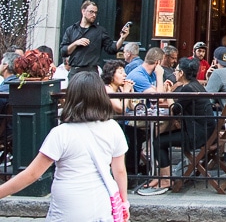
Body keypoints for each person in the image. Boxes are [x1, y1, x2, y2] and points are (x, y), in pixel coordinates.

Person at [0, 71, 130, 220]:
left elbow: (32, 174)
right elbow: (119, 171)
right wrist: (124, 203)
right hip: (101, 202)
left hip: (69, 203)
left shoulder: (61, 133)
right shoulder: (113, 128)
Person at [138, 57, 215, 195]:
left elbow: (174, 110)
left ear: (182, 73)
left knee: (158, 141)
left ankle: (166, 179)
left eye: (177, 70)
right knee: (161, 138)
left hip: (197, 136)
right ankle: (160, 176)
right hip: (204, 132)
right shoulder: (195, 85)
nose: (174, 72)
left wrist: (167, 93)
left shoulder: (188, 89)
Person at [60, 0, 130, 80]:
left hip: (91, 72)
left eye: (96, 13)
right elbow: (63, 52)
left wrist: (122, 38)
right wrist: (75, 43)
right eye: (91, 12)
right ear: (83, 11)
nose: (94, 15)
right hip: (75, 72)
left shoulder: (100, 31)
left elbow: (112, 49)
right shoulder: (71, 30)